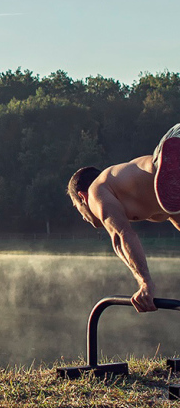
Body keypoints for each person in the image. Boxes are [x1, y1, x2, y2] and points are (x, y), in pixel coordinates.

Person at [68, 124, 180, 313]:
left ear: (82, 197)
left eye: (77, 208)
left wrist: (145, 283)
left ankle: (173, 159)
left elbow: (121, 236)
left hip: (168, 150)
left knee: (160, 165)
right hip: (169, 165)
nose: (83, 217)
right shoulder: (159, 200)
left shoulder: (96, 189)